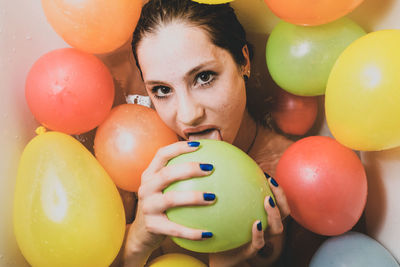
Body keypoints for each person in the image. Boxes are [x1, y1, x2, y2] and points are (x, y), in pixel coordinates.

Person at [119, 0, 294, 266]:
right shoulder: (138, 170)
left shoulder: (295, 174)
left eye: (204, 77)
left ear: (243, 61)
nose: (188, 115)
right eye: (162, 90)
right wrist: (135, 243)